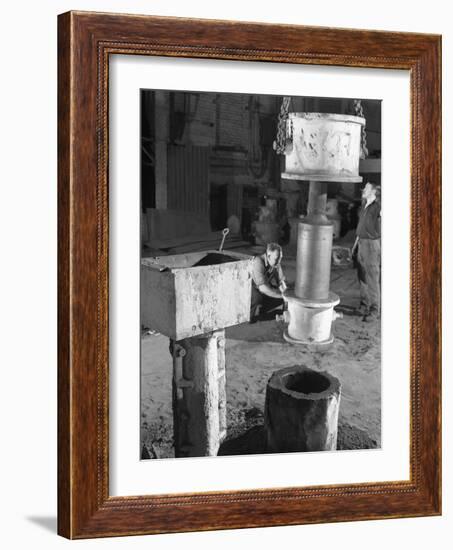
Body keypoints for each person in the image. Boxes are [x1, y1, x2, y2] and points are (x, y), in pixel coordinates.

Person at [351, 182, 381, 322]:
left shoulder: (378, 207)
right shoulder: (364, 206)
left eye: (367, 188)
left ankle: (374, 311)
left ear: (374, 191)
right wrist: (355, 244)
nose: (363, 189)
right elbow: (360, 226)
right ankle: (364, 304)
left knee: (372, 278)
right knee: (362, 276)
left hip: (371, 245)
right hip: (361, 243)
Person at [250, 243, 287, 322]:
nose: (279, 261)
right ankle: (250, 316)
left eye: (280, 258)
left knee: (283, 295)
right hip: (251, 288)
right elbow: (263, 288)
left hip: (263, 287)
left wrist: (286, 294)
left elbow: (281, 282)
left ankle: (262, 311)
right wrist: (281, 296)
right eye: (277, 258)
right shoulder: (258, 261)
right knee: (257, 297)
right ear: (268, 256)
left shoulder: (276, 263)